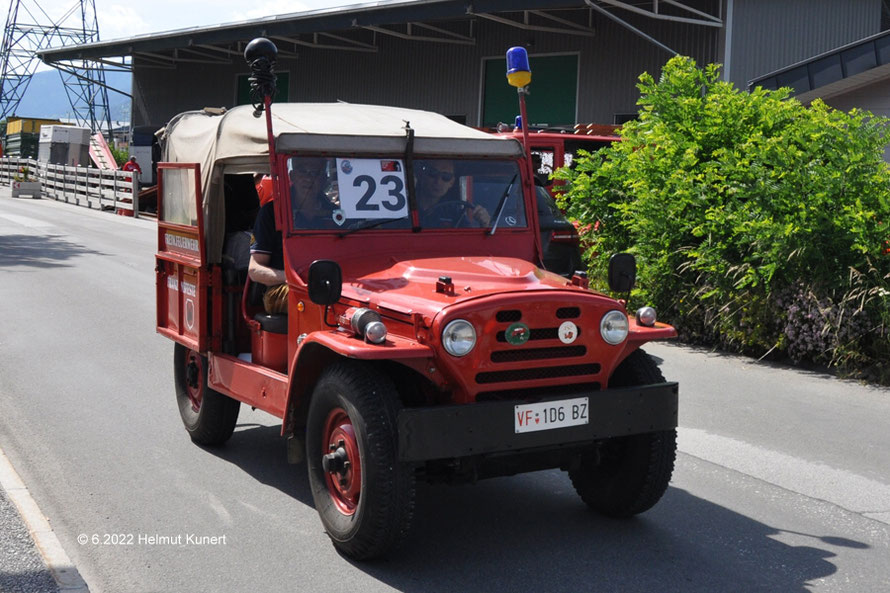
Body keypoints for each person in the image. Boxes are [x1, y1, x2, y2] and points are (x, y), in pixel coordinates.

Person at [248, 157, 331, 314]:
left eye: (315, 173)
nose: (309, 178)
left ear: (324, 178)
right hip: (281, 288)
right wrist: (293, 278)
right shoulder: (272, 212)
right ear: (292, 176)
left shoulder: (336, 214)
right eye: (303, 172)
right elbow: (254, 270)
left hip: (327, 285)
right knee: (319, 301)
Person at [416, 160, 490, 228]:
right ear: (421, 175)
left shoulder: (455, 212)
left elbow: (469, 238)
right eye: (432, 173)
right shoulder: (405, 205)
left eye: (446, 177)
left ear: (451, 182)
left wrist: (484, 224)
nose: (438, 181)